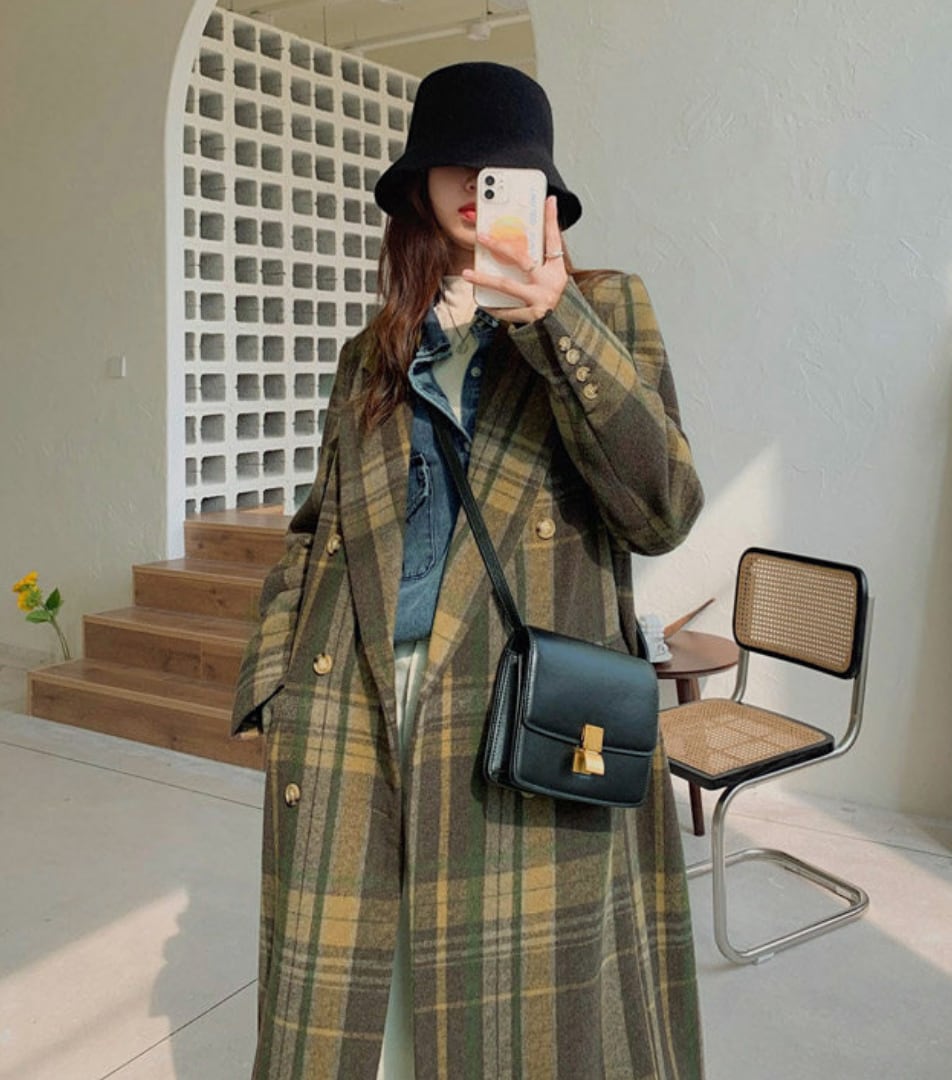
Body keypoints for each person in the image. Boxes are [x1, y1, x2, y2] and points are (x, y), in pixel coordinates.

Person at [232, 61, 705, 1079]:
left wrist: (552, 320)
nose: (476, 181)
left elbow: (663, 509)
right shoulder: (374, 352)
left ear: (541, 192)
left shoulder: (605, 309)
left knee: (514, 1026)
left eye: (504, 166)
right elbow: (318, 529)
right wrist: (275, 683)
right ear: (419, 183)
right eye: (457, 159)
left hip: (517, 711)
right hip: (354, 705)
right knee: (367, 1017)